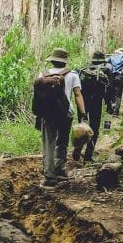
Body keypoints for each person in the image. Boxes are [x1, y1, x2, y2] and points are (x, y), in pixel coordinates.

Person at [32, 47, 86, 186]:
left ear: (53, 61)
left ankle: (50, 176)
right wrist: (83, 113)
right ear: (65, 62)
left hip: (48, 114)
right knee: (62, 141)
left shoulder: (43, 75)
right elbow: (78, 95)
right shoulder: (73, 75)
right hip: (66, 113)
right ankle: (59, 169)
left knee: (49, 143)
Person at [74, 51, 111, 163]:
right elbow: (109, 89)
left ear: (92, 59)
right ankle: (88, 155)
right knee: (94, 128)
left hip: (82, 103)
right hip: (96, 102)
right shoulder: (106, 70)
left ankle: (77, 150)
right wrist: (109, 104)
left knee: (81, 127)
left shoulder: (82, 70)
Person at [105, 47, 123, 116]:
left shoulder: (112, 57)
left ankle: (110, 110)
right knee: (118, 95)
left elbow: (105, 62)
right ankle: (115, 112)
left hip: (111, 77)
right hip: (120, 77)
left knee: (111, 93)